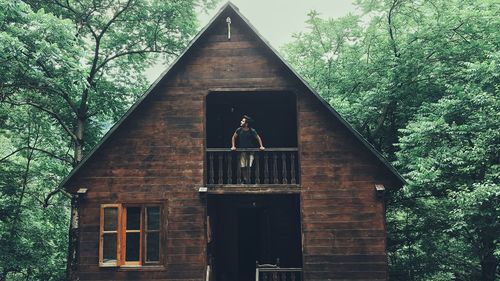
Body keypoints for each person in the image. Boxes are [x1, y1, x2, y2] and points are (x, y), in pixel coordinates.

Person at [231, 115, 265, 183]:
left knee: (249, 165)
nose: (241, 122)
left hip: (250, 150)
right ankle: (245, 179)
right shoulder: (239, 130)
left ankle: (248, 179)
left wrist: (261, 146)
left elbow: (258, 138)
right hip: (242, 150)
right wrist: (233, 146)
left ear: (246, 124)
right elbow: (233, 137)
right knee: (243, 166)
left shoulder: (252, 130)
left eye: (243, 121)